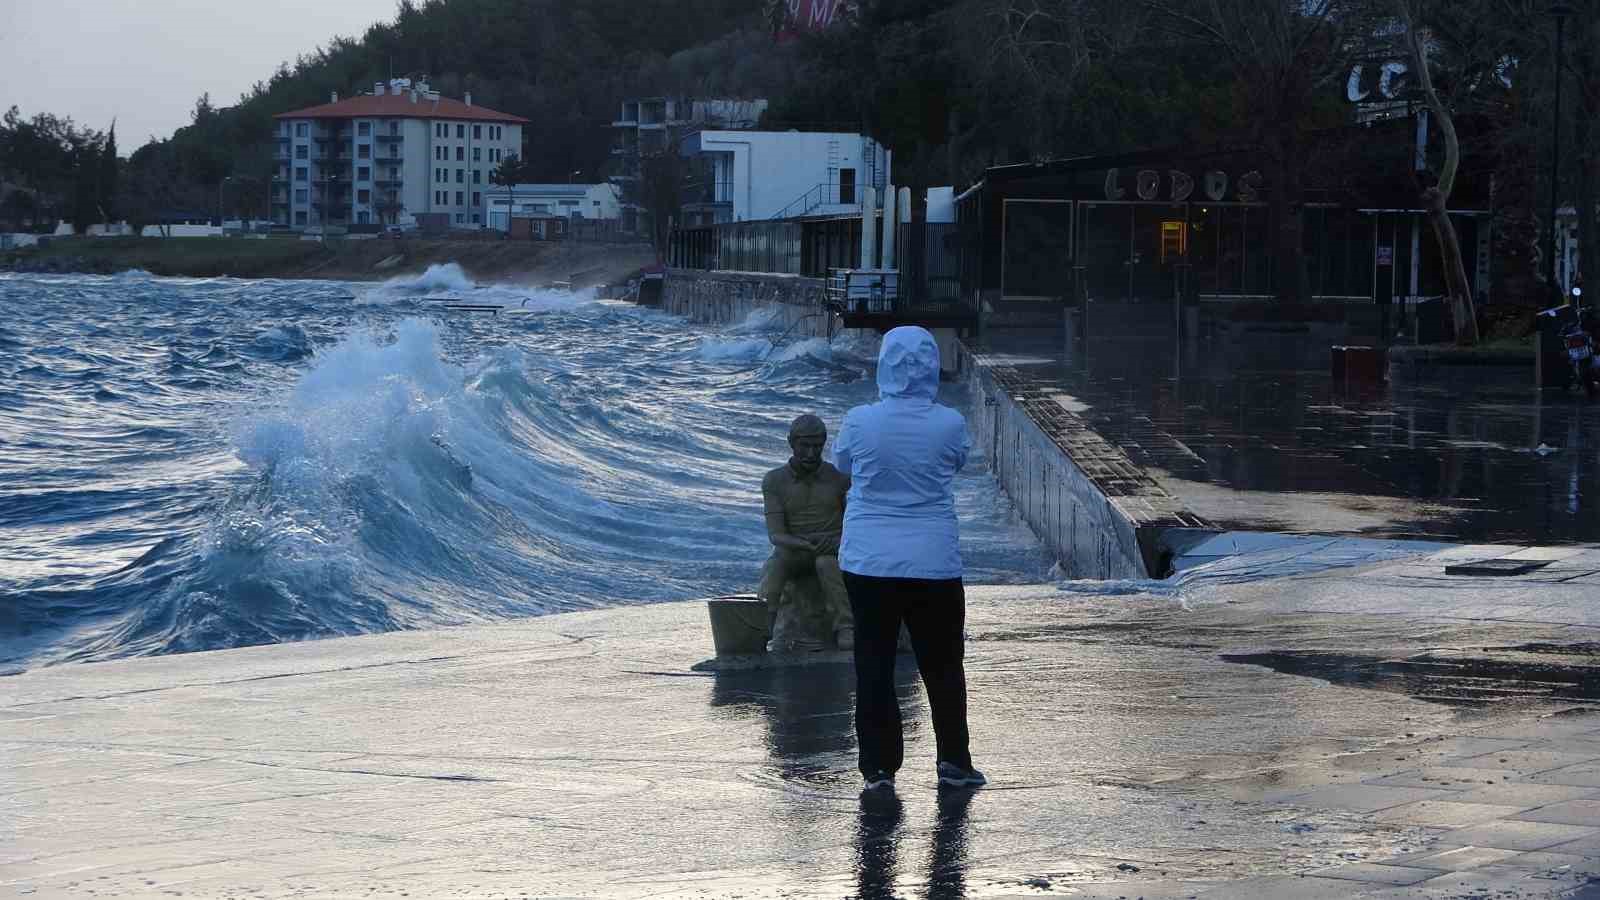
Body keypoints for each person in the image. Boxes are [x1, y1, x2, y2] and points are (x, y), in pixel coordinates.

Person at [831, 325, 985, 793]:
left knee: (873, 663)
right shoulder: (950, 423)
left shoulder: (859, 420)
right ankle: (954, 762)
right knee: (941, 662)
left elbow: (843, 466)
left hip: (868, 560)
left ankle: (879, 769)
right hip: (933, 561)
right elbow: (955, 464)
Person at [760, 414, 854, 650]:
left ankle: (846, 627)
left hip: (831, 550)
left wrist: (837, 542)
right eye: (805, 446)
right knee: (775, 565)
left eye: (817, 446)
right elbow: (776, 535)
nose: (811, 453)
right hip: (795, 550)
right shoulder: (774, 481)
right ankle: (762, 626)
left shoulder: (838, 478)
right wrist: (805, 544)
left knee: (826, 564)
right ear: (791, 443)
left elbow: (854, 524)